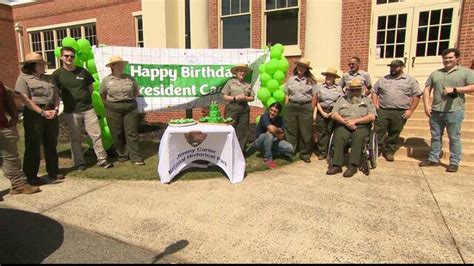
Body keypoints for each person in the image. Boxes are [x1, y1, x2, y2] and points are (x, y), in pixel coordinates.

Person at [52, 47, 113, 171]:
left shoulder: (83, 72)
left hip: (88, 109)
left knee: (96, 134)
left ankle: (102, 159)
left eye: (72, 56)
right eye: (66, 56)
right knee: (76, 137)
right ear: (61, 57)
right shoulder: (57, 74)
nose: (69, 58)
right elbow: (56, 93)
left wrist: (88, 102)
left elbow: (90, 89)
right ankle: (79, 162)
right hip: (71, 111)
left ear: (75, 58)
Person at [420, 48, 474, 172]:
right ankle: (433, 159)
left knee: (454, 137)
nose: (447, 60)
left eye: (450, 57)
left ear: (457, 59)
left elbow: (472, 87)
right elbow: (427, 89)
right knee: (435, 136)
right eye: (445, 58)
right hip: (436, 110)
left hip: (454, 111)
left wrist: (455, 89)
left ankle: (454, 162)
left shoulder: (466, 72)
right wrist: (426, 105)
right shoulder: (436, 73)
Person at [14, 52, 64, 185]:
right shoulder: (23, 79)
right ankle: (31, 176)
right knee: (33, 145)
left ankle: (53, 171)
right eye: (40, 63)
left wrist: (56, 109)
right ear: (31, 65)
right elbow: (25, 99)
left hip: (51, 112)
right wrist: (42, 112)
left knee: (51, 144)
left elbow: (57, 96)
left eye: (43, 63)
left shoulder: (49, 78)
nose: (43, 66)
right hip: (34, 115)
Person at [371, 59, 422, 162]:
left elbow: (417, 95)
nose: (393, 69)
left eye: (395, 67)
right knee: (379, 130)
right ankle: (376, 149)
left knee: (394, 132)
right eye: (391, 67)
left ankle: (390, 151)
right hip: (384, 110)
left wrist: (410, 110)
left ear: (402, 67)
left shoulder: (410, 80)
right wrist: (375, 103)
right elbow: (374, 91)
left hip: (400, 111)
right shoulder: (383, 79)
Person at [327, 79, 377, 178]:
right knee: (339, 136)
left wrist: (355, 121)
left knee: (358, 138)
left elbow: (372, 116)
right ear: (348, 90)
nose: (354, 92)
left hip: (361, 125)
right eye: (352, 90)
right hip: (344, 124)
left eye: (357, 90)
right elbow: (334, 114)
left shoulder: (367, 100)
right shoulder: (342, 99)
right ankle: (337, 165)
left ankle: (353, 166)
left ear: (361, 90)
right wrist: (346, 122)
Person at [100, 56, 144, 165]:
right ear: (112, 67)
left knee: (132, 132)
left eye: (121, 64)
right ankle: (122, 155)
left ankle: (136, 157)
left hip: (130, 108)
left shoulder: (130, 78)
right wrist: (109, 105)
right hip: (113, 109)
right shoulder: (106, 80)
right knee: (117, 133)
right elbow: (102, 94)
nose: (120, 66)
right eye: (117, 64)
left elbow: (136, 92)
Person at [0, 81, 41, 195]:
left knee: (11, 157)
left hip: (3, 126)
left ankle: (18, 184)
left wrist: (14, 115)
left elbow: (7, 98)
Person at [284, 58, 317, 163]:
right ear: (296, 67)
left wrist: (311, 108)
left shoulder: (311, 80)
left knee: (305, 131)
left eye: (303, 67)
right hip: (291, 106)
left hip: (305, 107)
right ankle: (291, 151)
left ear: (306, 69)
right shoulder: (291, 79)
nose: (301, 68)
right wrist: (286, 106)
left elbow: (315, 95)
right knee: (291, 130)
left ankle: (304, 153)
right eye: (299, 66)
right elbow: (287, 94)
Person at [222, 64, 255, 151]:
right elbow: (224, 96)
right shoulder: (230, 83)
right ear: (236, 72)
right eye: (240, 71)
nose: (242, 72)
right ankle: (228, 151)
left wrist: (245, 98)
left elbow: (252, 97)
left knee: (242, 132)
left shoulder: (248, 84)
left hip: (244, 109)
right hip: (232, 108)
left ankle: (240, 152)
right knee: (230, 129)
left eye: (244, 71)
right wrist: (235, 98)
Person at [315, 68, 344, 160]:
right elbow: (317, 101)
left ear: (334, 78)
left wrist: (332, 112)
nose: (328, 78)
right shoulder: (320, 87)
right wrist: (322, 112)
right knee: (321, 132)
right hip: (322, 111)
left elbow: (340, 102)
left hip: (334, 111)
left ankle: (330, 152)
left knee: (331, 131)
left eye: (330, 76)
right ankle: (322, 152)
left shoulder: (338, 89)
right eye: (327, 76)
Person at [254, 102, 294, 169]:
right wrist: (277, 131)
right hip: (259, 142)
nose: (272, 113)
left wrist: (275, 131)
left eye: (275, 112)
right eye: (271, 110)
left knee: (290, 148)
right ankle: (268, 158)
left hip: (273, 141)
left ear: (278, 113)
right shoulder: (265, 116)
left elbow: (282, 136)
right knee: (269, 134)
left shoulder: (280, 119)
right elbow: (272, 130)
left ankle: (268, 151)